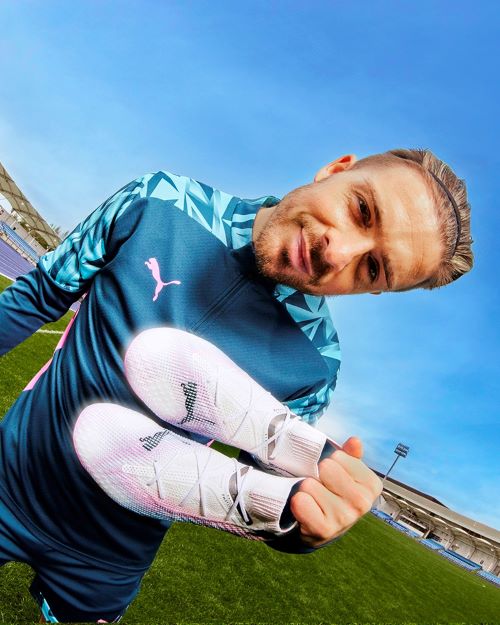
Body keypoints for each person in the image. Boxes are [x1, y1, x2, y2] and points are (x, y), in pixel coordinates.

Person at [0, 148, 473, 622]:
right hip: (7, 477)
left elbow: (266, 486)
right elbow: (39, 294)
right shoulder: (160, 199)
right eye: (362, 209)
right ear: (336, 169)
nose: (338, 252)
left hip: (107, 559)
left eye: (372, 267)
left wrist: (302, 528)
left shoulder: (317, 363)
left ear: (376, 289)